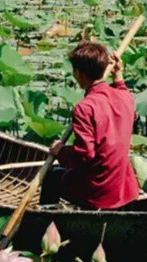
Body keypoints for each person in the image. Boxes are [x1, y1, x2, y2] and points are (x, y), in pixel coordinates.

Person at [40, 41, 139, 209]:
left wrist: (60, 151)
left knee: (52, 177)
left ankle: (47, 226)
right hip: (125, 189)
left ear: (78, 73)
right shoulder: (125, 98)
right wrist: (118, 74)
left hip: (99, 191)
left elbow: (85, 155)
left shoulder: (85, 108)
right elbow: (121, 89)